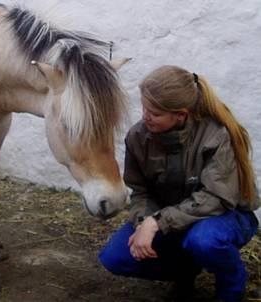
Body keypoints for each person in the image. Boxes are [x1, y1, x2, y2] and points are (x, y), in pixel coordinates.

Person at [99, 65, 260, 302]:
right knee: (114, 257)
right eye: (144, 107)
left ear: (181, 115)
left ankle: (231, 288)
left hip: (223, 215)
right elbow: (140, 191)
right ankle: (186, 270)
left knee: (204, 241)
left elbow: (217, 198)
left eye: (154, 112)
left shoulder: (216, 135)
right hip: (173, 218)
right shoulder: (137, 137)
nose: (145, 116)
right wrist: (144, 223)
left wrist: (157, 222)